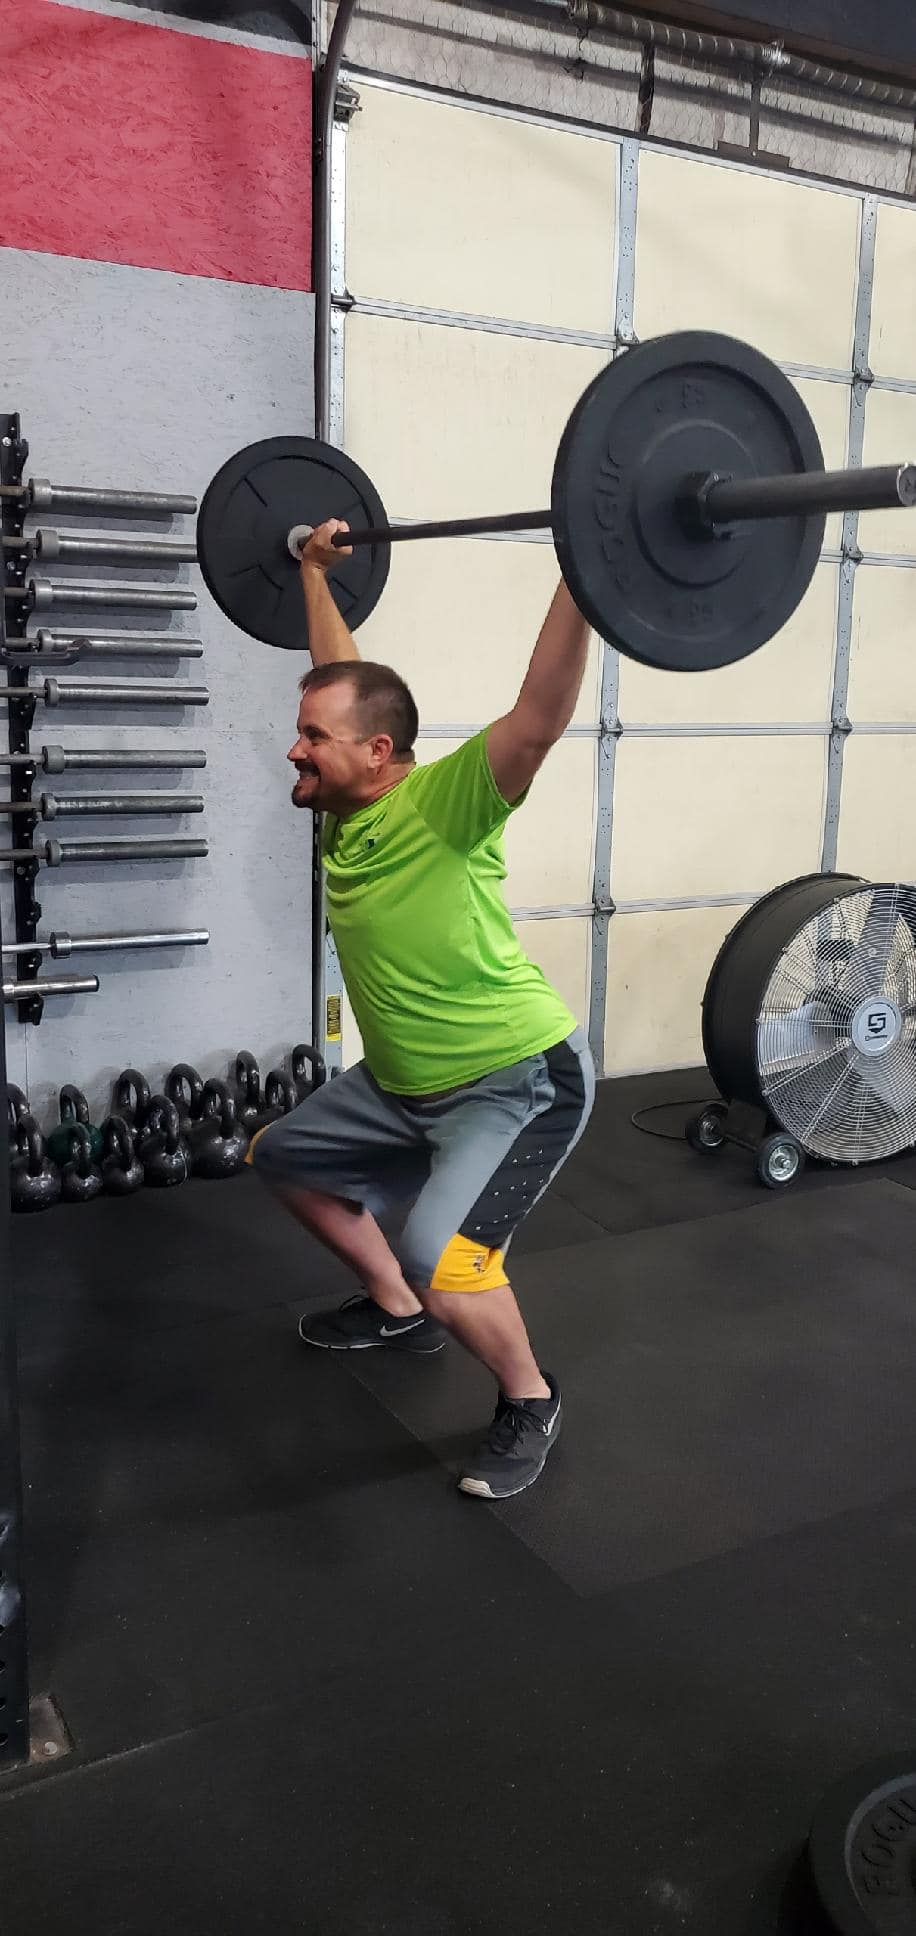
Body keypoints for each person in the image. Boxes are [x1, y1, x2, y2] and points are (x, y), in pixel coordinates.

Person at [250, 518, 596, 1499]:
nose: (294, 751)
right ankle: (393, 1309)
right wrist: (316, 574)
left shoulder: (446, 804)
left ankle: (529, 1395)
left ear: (379, 753)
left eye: (312, 740)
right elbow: (345, 678)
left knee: (445, 1261)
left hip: (515, 1080)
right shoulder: (345, 807)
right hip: (399, 1087)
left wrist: (585, 572)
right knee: (284, 1157)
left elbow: (538, 717)